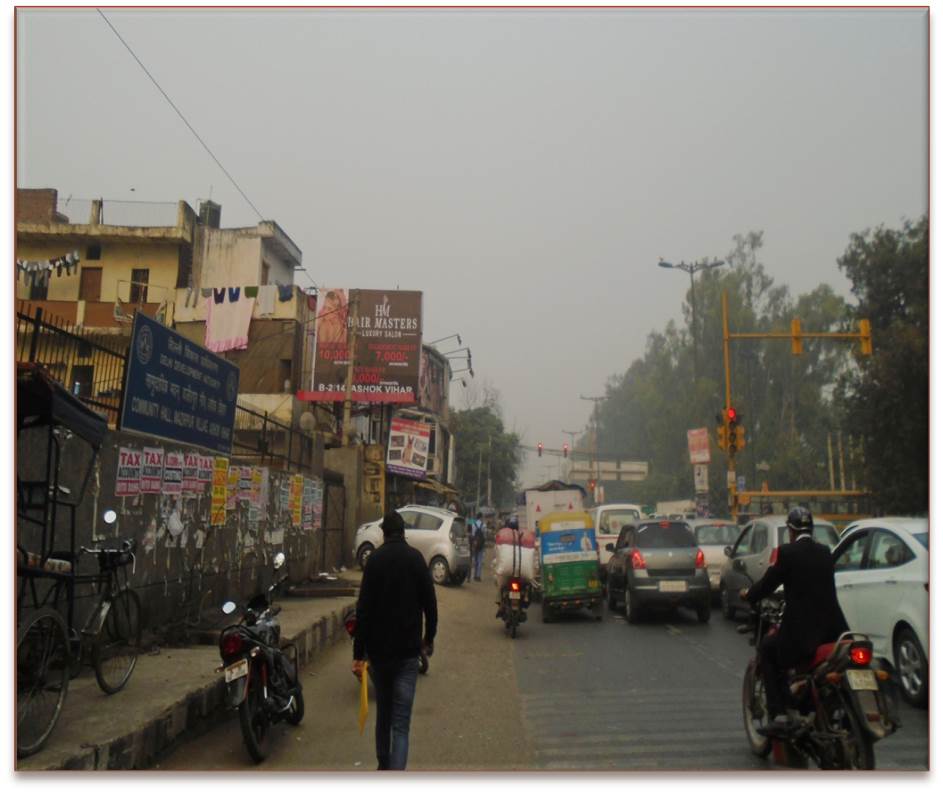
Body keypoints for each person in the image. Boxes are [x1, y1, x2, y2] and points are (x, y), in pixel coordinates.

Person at [740, 506, 849, 733]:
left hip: (804, 635)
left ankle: (779, 714)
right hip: (834, 631)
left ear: (790, 531)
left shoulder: (787, 553)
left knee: (768, 649)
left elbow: (768, 584)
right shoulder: (825, 552)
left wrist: (749, 595)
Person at [352, 510, 437, 770]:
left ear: (384, 533)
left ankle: (383, 765)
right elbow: (431, 605)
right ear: (403, 532)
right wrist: (428, 638)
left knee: (384, 715)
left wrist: (358, 654)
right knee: (401, 724)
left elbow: (363, 611)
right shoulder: (416, 559)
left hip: (379, 655)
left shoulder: (374, 561)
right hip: (408, 655)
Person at [470, 512, 486, 581]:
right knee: (480, 560)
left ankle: (474, 575)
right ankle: (478, 576)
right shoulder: (484, 525)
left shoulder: (473, 524)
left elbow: (473, 535)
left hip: (475, 543)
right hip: (481, 544)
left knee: (475, 560)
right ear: (481, 517)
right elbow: (484, 535)